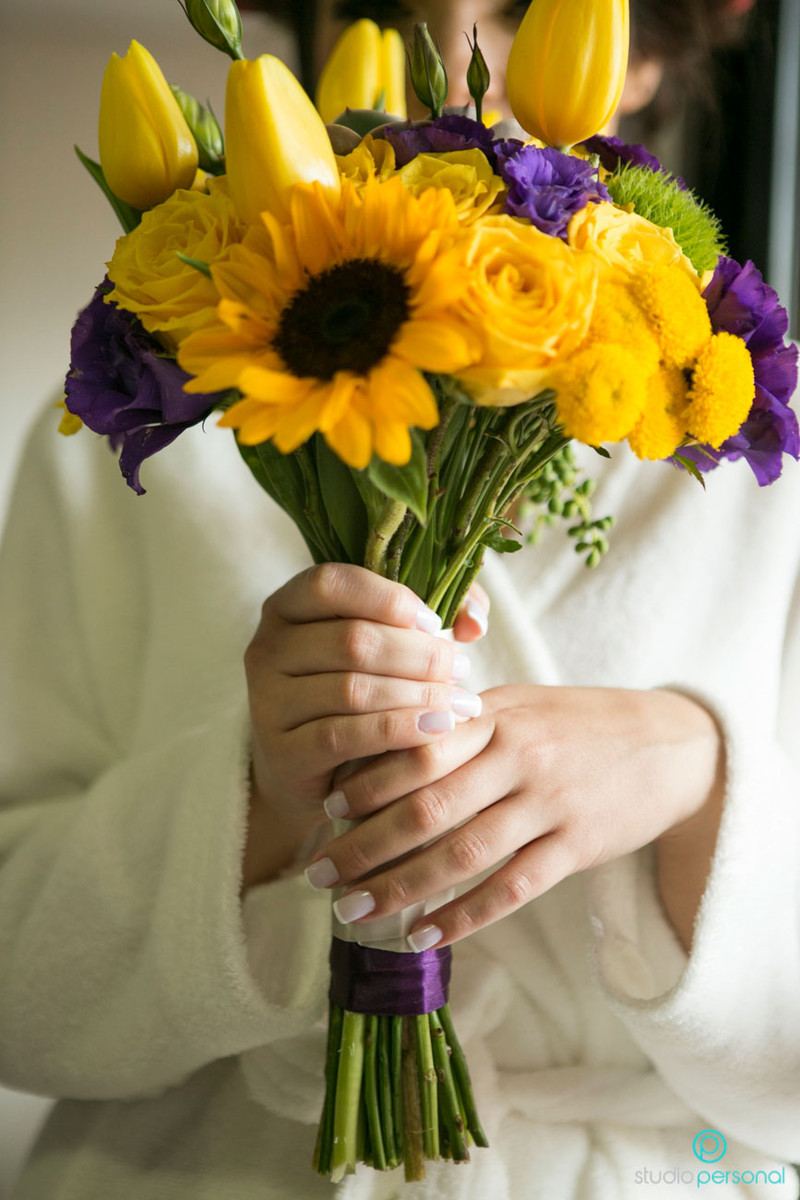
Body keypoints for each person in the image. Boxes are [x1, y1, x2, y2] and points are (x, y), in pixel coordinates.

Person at [1, 2, 797, 1199]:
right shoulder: (142, 423)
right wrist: (257, 800)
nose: (461, 64)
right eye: (388, 8)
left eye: (523, 13)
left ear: (643, 56)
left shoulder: (756, 465)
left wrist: (694, 783)